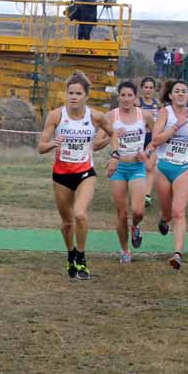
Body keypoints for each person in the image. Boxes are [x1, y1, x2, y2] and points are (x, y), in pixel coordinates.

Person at [37, 72, 114, 279]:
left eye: (78, 93)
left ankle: (81, 257)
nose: (73, 97)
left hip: (85, 173)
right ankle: (71, 253)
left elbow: (112, 132)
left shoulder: (96, 116)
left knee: (80, 214)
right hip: (61, 175)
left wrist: (112, 153)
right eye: (70, 92)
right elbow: (40, 147)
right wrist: (54, 143)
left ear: (86, 96)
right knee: (68, 222)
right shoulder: (55, 116)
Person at [148, 79, 188, 270]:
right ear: (170, 95)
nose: (181, 94)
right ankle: (163, 218)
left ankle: (177, 254)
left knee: (179, 212)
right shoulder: (164, 113)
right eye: (177, 91)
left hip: (185, 167)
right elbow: (156, 139)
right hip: (164, 167)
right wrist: (176, 126)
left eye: (184, 91)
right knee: (168, 212)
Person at [107, 81, 154, 263]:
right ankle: (125, 250)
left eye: (130, 95)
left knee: (138, 210)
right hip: (118, 168)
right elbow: (96, 143)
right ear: (118, 97)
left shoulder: (145, 115)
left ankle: (135, 226)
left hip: (136, 167)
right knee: (122, 213)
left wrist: (147, 151)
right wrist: (112, 136)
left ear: (135, 97)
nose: (126, 99)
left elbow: (156, 137)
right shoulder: (111, 116)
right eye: (123, 95)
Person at [138, 77, 160, 206]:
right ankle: (137, 191)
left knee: (150, 166)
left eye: (151, 87)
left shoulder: (158, 103)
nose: (148, 90)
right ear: (142, 88)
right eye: (146, 87)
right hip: (138, 138)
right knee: (138, 166)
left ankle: (147, 195)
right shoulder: (137, 102)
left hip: (152, 138)